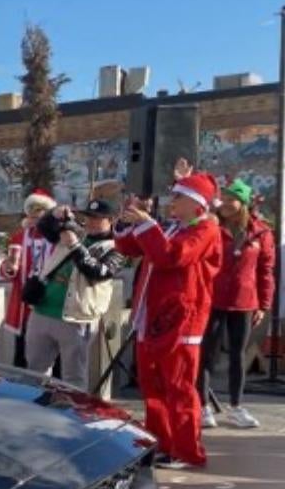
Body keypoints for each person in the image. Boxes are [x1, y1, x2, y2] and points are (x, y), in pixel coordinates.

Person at [116, 167, 223, 469]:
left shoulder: (206, 229)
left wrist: (148, 225)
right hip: (152, 318)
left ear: (196, 203)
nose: (171, 201)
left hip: (181, 319)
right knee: (154, 388)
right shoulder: (174, 227)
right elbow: (128, 247)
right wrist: (129, 221)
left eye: (178, 197)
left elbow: (172, 257)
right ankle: (162, 443)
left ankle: (186, 449)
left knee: (179, 388)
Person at [23, 200, 128, 390]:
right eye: (88, 217)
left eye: (97, 218)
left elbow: (98, 272)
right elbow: (44, 227)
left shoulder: (117, 247)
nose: (90, 222)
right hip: (42, 310)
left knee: (74, 378)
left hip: (76, 317)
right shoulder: (79, 232)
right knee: (34, 373)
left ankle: (72, 415)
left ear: (111, 220)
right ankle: (35, 414)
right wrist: (55, 213)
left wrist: (75, 245)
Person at [200, 178, 276, 429]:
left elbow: (266, 271)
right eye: (223, 198)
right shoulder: (211, 227)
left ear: (242, 202)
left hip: (244, 302)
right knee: (207, 354)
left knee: (237, 355)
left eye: (231, 198)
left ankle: (236, 406)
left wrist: (264, 305)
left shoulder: (260, 232)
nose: (224, 203)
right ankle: (203, 406)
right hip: (212, 299)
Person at [1, 189, 59, 367]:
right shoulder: (19, 237)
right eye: (32, 212)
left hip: (52, 301)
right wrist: (8, 268)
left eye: (40, 212)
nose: (35, 217)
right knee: (22, 351)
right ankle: (21, 390)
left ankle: (56, 392)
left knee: (56, 354)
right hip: (25, 303)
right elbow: (9, 270)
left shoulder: (57, 237)